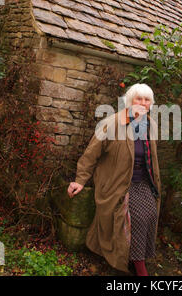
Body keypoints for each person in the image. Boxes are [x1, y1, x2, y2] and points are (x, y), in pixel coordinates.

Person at [67, 83, 162, 276]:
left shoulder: (150, 125)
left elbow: (151, 158)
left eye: (146, 100)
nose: (142, 103)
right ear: (129, 101)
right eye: (138, 98)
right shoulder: (112, 123)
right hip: (118, 184)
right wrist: (80, 180)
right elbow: (90, 154)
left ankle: (131, 254)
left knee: (152, 213)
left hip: (142, 182)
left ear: (151, 103)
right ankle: (139, 266)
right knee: (138, 217)